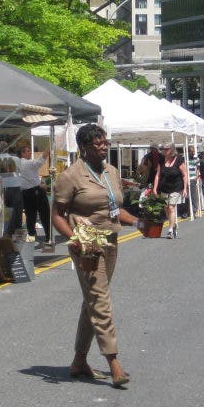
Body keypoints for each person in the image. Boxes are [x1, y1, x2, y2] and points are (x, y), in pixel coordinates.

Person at [51, 124, 142, 389]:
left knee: (93, 299)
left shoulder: (111, 172)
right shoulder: (70, 177)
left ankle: (79, 361)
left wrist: (138, 223)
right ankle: (114, 363)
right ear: (84, 147)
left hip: (111, 241)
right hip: (87, 244)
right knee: (100, 301)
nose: (104, 147)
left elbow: (115, 211)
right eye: (98, 144)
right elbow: (57, 215)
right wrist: (74, 238)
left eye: (105, 143)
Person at [18, 143, 52, 246]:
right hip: (36, 191)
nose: (30, 152)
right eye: (28, 151)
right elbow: (41, 159)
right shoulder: (27, 164)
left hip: (26, 192)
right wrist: (49, 147)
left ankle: (32, 237)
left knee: (30, 216)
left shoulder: (18, 164)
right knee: (45, 214)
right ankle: (48, 237)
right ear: (22, 153)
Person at [153, 143, 187, 239]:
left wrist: (185, 188)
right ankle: (174, 224)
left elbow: (184, 174)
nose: (164, 150)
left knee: (171, 208)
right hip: (164, 188)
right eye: (163, 149)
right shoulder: (161, 160)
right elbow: (157, 175)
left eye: (166, 149)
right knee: (166, 208)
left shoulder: (179, 159)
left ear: (172, 150)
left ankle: (170, 230)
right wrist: (155, 188)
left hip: (176, 187)